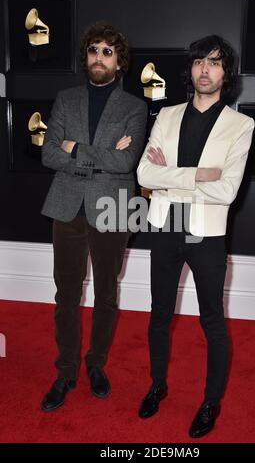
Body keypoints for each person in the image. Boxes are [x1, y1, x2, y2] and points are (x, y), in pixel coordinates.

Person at [137, 35, 254, 438]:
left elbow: (227, 191)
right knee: (159, 315)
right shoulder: (165, 115)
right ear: (190, 69)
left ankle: (210, 402)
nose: (206, 68)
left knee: (213, 322)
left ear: (226, 73)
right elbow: (143, 175)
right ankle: (156, 384)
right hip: (165, 225)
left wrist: (171, 176)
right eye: (200, 61)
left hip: (208, 234)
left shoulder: (241, 125)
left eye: (216, 62)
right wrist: (198, 175)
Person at [40, 22, 147, 412]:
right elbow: (49, 153)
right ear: (85, 56)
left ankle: (96, 364)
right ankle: (65, 371)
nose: (98, 57)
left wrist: (75, 149)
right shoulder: (66, 99)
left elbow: (126, 161)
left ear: (119, 63)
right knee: (65, 294)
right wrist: (93, 156)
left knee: (106, 294)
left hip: (113, 207)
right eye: (93, 50)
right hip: (66, 207)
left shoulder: (135, 106)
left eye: (107, 51)